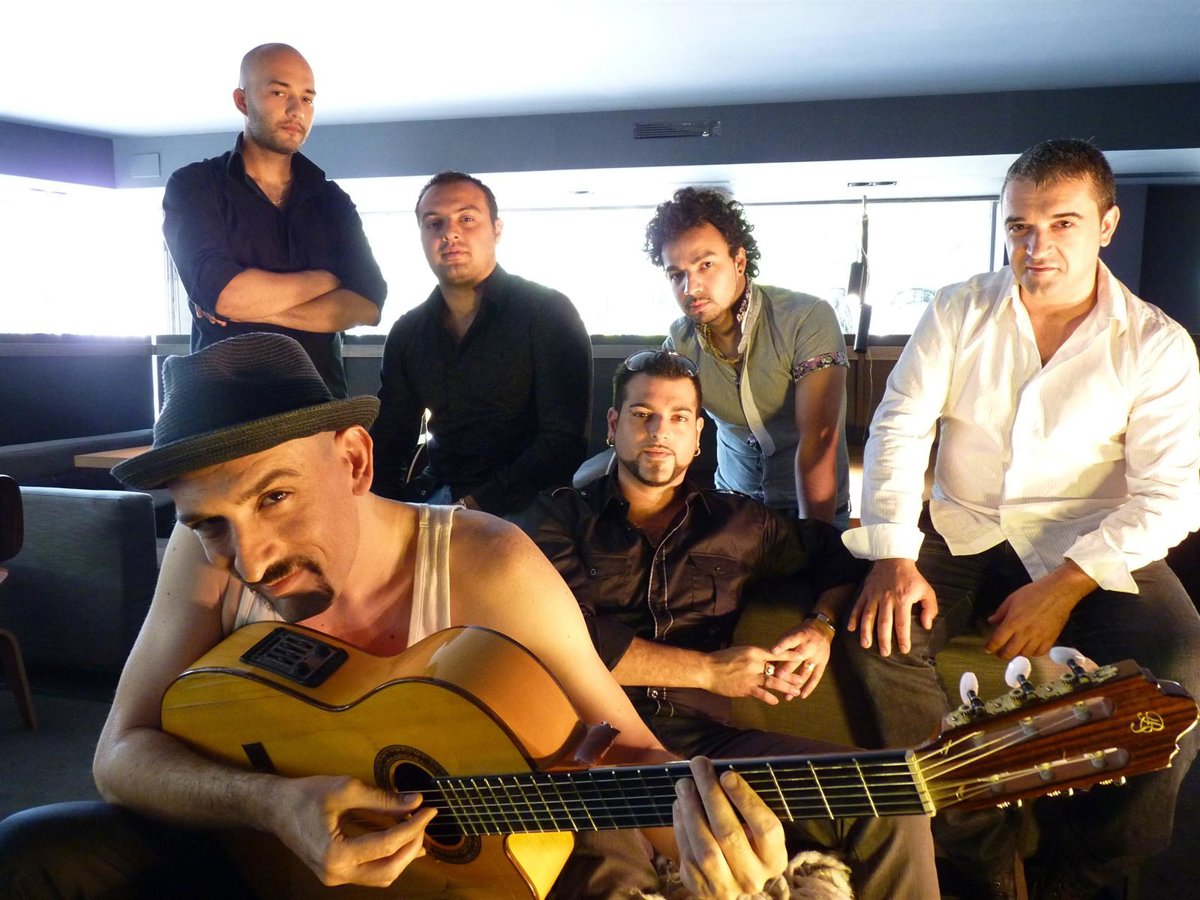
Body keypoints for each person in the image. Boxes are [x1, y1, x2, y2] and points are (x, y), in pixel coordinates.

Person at [0, 334, 819, 900]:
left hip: (444, 874)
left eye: (275, 497)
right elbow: (119, 755)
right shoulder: (203, 551)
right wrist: (271, 805)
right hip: (254, 848)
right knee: (31, 854)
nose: (248, 560)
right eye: (211, 523)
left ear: (355, 460)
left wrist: (716, 848)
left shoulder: (488, 563)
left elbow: (625, 748)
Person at [842, 139, 1200, 899]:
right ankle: (981, 845)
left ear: (1106, 225)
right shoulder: (957, 308)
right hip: (961, 528)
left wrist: (1065, 587)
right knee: (878, 637)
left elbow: (1171, 494)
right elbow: (900, 426)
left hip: (1092, 540)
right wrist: (893, 553)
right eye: (1019, 227)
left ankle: (1087, 868)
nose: (1037, 247)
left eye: (1062, 224)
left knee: (1181, 660)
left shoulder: (1157, 344)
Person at [522, 349, 939, 900]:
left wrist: (820, 627)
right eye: (643, 414)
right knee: (613, 876)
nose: (659, 432)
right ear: (613, 425)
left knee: (891, 796)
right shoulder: (557, 518)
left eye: (678, 418)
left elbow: (837, 556)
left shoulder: (738, 522)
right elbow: (566, 643)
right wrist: (710, 672)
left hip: (709, 745)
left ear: (699, 436)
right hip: (594, 749)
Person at [162, 43, 386, 398]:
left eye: (307, 98)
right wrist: (327, 280)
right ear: (242, 100)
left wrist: (247, 310)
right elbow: (224, 294)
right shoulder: (195, 186)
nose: (297, 110)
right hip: (226, 410)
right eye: (279, 92)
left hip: (319, 408)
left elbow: (369, 303)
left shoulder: (331, 201)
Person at [370, 171, 591, 517]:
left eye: (467, 219)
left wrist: (473, 507)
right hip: (440, 496)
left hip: (530, 503)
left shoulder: (546, 312)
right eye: (434, 223)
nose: (450, 233)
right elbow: (390, 443)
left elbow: (563, 441)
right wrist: (380, 516)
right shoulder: (408, 332)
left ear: (496, 229)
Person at [645, 187, 852, 528]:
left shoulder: (805, 318)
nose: (690, 288)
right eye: (676, 274)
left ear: (739, 262)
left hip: (810, 510)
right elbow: (663, 427)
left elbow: (820, 438)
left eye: (705, 265)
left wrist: (813, 542)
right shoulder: (680, 342)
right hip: (732, 511)